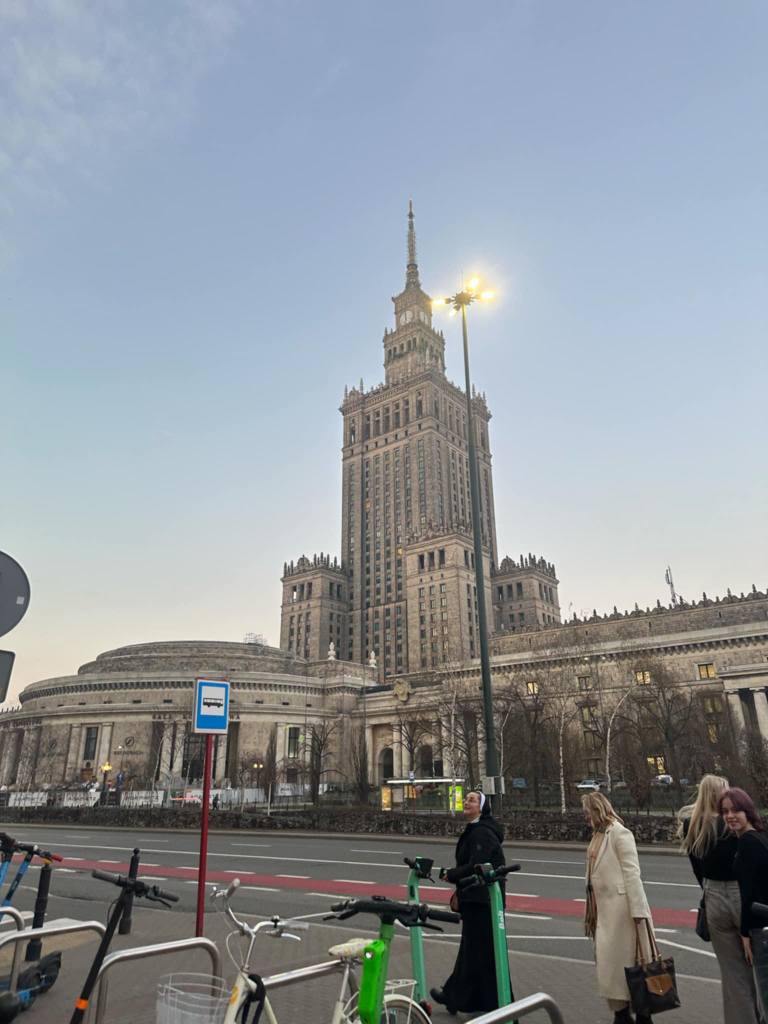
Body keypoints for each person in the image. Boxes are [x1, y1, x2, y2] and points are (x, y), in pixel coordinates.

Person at [678, 775, 758, 1024]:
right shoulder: (731, 825)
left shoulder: (692, 825)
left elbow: (697, 870)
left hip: (712, 896)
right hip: (740, 894)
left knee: (732, 972)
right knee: (756, 965)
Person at [582, 791, 655, 1024]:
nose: (585, 817)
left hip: (623, 913)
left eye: (587, 812)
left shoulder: (619, 833)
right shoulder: (598, 834)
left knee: (633, 963)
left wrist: (639, 913)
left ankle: (640, 1014)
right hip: (604, 913)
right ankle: (621, 1013)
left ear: (597, 810)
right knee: (611, 967)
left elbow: (632, 874)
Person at [430, 790, 505, 1015]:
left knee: (481, 952)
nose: (466, 802)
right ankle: (459, 997)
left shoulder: (482, 832)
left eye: (472, 800)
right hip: (477, 898)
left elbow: (477, 865)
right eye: (466, 799)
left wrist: (452, 874)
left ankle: (494, 1002)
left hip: (482, 900)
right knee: (474, 951)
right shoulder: (476, 829)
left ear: (481, 807)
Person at [720, 786, 768, 1019]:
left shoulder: (748, 843)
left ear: (747, 811)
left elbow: (748, 895)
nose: (730, 816)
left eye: (735, 810)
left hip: (761, 928)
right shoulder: (759, 837)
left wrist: (745, 934)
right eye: (725, 811)